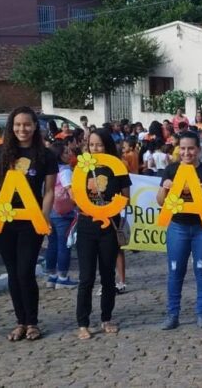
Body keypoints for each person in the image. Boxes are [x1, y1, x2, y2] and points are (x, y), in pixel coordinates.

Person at [0, 107, 58, 341]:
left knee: (25, 270)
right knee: (12, 272)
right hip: (5, 218)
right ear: (11, 127)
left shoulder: (45, 155)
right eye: (17, 125)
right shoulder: (0, 152)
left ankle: (32, 322)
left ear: (35, 126)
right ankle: (20, 321)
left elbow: (49, 191)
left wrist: (44, 217)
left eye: (27, 124)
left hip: (31, 219)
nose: (22, 129)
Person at [157, 132, 202, 330]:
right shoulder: (171, 170)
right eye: (183, 148)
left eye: (191, 148)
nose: (187, 152)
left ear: (199, 150)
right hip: (177, 227)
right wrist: (165, 188)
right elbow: (160, 202)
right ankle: (172, 314)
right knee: (175, 270)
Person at [73, 130, 131, 340]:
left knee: (107, 276)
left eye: (99, 145)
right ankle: (83, 323)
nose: (95, 149)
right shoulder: (81, 168)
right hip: (87, 226)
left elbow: (126, 198)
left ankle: (106, 318)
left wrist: (108, 204)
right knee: (86, 277)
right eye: (91, 145)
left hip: (110, 227)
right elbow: (76, 198)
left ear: (107, 146)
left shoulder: (117, 167)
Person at [45, 143, 78, 289]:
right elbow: (70, 191)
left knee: (52, 244)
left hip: (49, 210)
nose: (69, 154)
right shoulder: (65, 171)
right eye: (65, 152)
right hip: (63, 213)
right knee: (64, 245)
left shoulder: (50, 171)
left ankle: (51, 276)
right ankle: (62, 277)